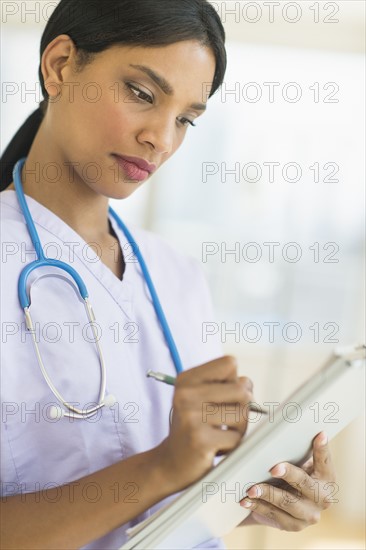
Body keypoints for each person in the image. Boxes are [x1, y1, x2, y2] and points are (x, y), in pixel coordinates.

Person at [0, 1, 336, 548]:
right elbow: (161, 471)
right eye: (141, 93)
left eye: (186, 119)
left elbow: (168, 503)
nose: (162, 139)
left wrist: (260, 497)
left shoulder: (174, 274)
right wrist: (164, 466)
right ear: (60, 66)